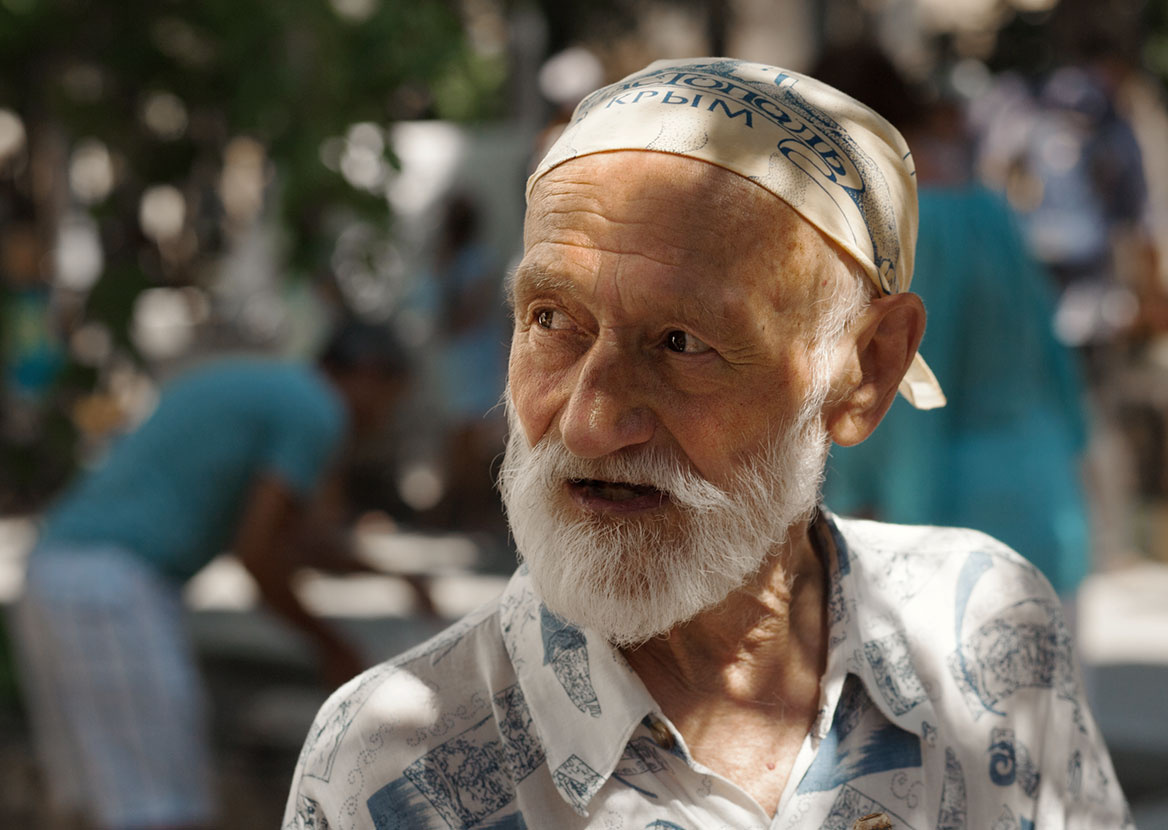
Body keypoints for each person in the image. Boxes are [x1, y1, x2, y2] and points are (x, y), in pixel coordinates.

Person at [284, 58, 1131, 829]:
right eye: (550, 320)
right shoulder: (392, 770)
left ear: (868, 371)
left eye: (683, 342)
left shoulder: (991, 628)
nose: (587, 422)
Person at [11, 320, 411, 829]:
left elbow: (291, 540)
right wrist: (333, 647)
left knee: (91, 803)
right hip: (111, 591)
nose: (385, 418)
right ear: (370, 374)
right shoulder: (318, 409)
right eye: (393, 399)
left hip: (56, 575)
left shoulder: (274, 389)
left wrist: (390, 577)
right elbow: (257, 554)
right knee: (162, 808)